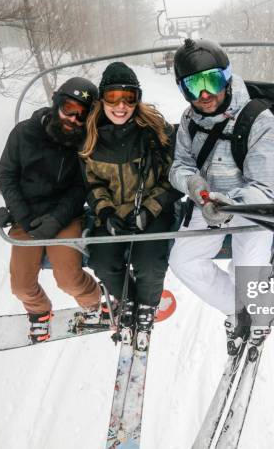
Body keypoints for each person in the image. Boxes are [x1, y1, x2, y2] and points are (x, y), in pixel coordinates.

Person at [168, 39, 274, 354]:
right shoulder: (190, 120)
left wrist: (230, 205)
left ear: (228, 77)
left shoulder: (259, 119)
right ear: (183, 89)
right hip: (206, 204)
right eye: (194, 86)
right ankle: (236, 308)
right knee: (183, 261)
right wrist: (191, 183)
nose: (205, 94)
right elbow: (180, 164)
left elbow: (265, 188)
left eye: (213, 81)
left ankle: (256, 305)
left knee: (247, 271)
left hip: (252, 209)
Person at [0, 77, 102, 343]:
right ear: (55, 103)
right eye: (68, 108)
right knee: (21, 285)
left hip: (64, 215)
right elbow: (7, 175)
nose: (73, 119)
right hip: (27, 215)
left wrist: (57, 218)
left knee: (68, 278)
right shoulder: (24, 133)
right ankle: (39, 311)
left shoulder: (84, 143)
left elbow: (80, 186)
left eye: (82, 115)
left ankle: (93, 301)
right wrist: (23, 216)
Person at [80, 62, 181, 349]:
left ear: (138, 98)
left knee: (150, 262)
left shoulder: (155, 131)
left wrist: (151, 208)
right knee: (102, 260)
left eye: (129, 97)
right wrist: (106, 212)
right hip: (112, 213)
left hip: (152, 211)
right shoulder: (92, 136)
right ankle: (127, 301)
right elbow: (92, 183)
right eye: (113, 97)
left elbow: (175, 178)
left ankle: (146, 308)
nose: (121, 105)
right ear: (102, 99)